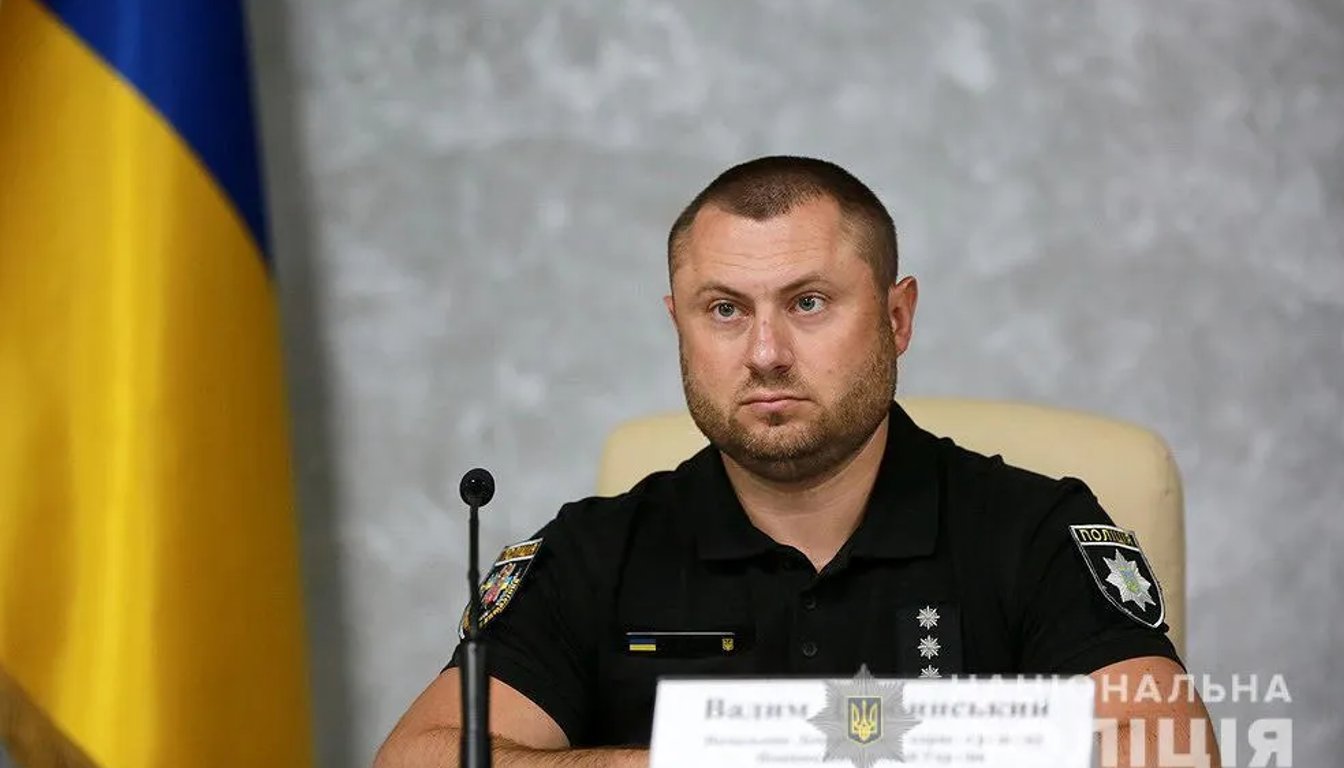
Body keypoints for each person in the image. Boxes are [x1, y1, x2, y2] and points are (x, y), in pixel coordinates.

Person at [375, 156, 1219, 767]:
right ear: (678, 325)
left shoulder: (1033, 531)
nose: (766, 352)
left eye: (808, 302)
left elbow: (1167, 751)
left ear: (897, 318)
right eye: (724, 310)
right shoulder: (594, 550)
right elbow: (420, 756)